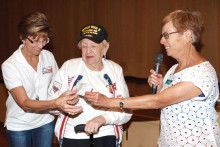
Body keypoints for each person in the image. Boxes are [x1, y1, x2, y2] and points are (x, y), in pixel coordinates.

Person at [84, 10, 220, 146]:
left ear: (187, 35)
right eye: (162, 36)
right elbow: (170, 103)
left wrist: (108, 102)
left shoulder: (202, 73)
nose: (162, 41)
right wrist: (161, 88)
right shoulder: (173, 69)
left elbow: (158, 102)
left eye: (167, 35)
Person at [1, 12, 82, 147]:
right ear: (22, 37)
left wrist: (67, 96)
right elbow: (24, 103)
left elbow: (57, 86)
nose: (40, 45)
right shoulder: (10, 65)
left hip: (45, 121)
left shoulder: (48, 56)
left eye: (44, 40)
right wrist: (56, 103)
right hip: (19, 124)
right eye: (35, 40)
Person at [48, 24, 132, 147]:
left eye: (93, 46)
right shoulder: (69, 67)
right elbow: (51, 104)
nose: (88, 51)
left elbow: (126, 110)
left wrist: (102, 119)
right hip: (73, 135)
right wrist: (66, 103)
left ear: (106, 47)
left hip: (107, 135)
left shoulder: (115, 69)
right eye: (84, 46)